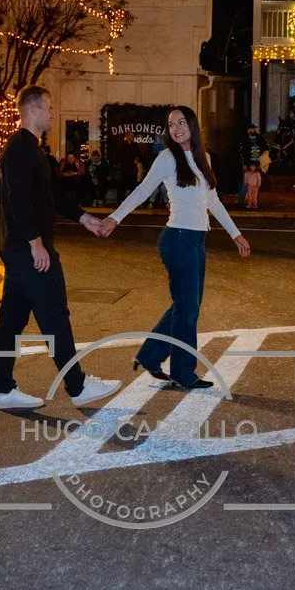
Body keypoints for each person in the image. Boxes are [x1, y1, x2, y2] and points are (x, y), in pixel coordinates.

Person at [97, 106, 251, 390]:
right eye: (171, 124)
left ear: (192, 124)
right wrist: (115, 217)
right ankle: (182, 372)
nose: (176, 128)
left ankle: (150, 355)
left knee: (185, 306)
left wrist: (236, 234)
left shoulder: (203, 157)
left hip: (195, 241)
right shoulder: (167, 158)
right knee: (188, 309)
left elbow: (212, 201)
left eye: (181, 122)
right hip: (178, 239)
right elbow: (143, 190)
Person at [0, 86, 119, 411]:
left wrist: (84, 218)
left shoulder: (33, 149)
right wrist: (35, 242)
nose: (51, 112)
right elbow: (15, 200)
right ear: (32, 110)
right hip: (26, 248)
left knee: (12, 321)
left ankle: (3, 389)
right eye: (48, 106)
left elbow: (51, 195)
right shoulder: (20, 148)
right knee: (55, 316)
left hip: (19, 249)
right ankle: (78, 386)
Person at [237, 123, 263, 206]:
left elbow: (265, 148)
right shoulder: (244, 140)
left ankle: (254, 201)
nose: (254, 130)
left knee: (256, 181)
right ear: (248, 130)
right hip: (247, 163)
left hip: (257, 163)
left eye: (254, 129)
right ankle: (242, 200)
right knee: (245, 181)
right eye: (252, 129)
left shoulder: (260, 139)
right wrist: (244, 163)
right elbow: (241, 152)